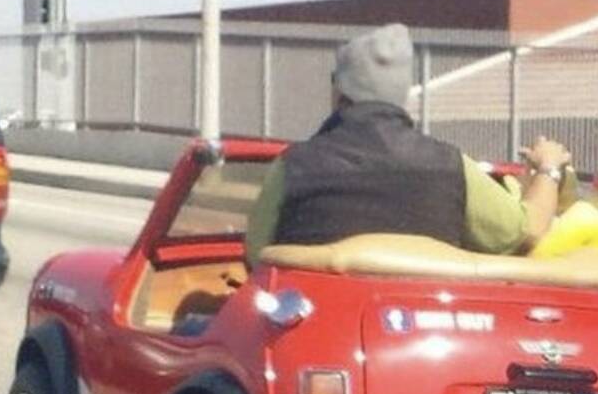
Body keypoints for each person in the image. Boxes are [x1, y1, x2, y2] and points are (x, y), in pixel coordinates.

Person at [245, 23, 571, 267]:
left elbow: (256, 254)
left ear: (338, 89)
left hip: (316, 323)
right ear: (402, 93)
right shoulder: (451, 165)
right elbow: (526, 231)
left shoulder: (294, 166)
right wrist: (548, 169)